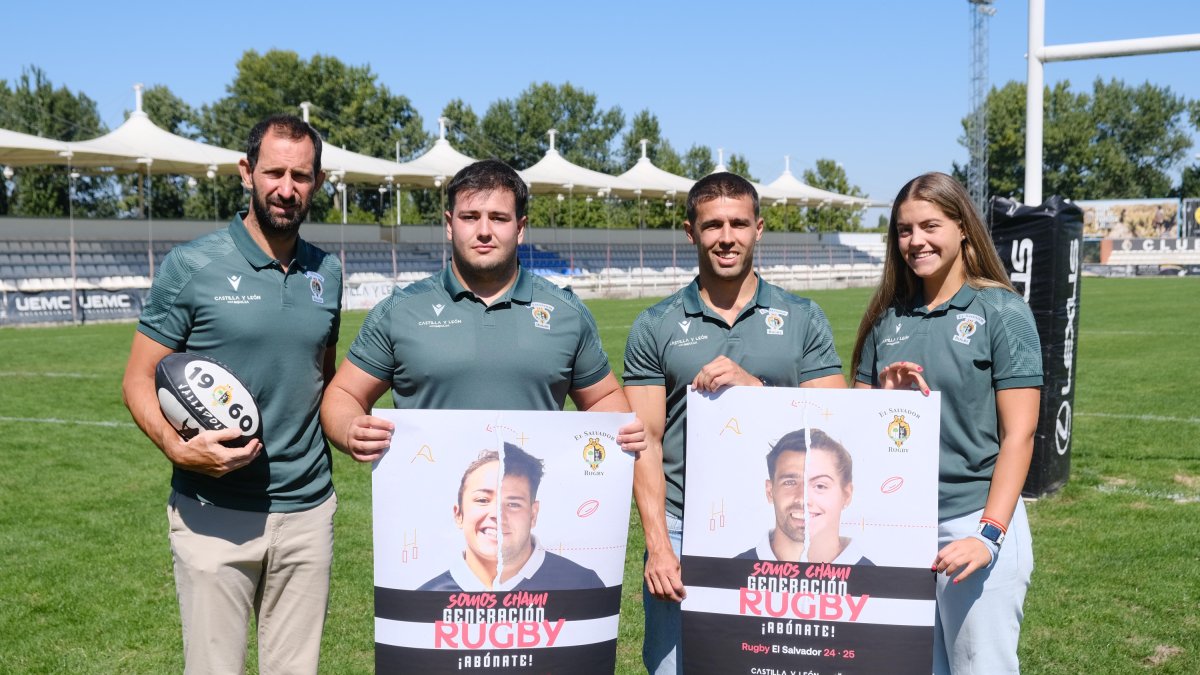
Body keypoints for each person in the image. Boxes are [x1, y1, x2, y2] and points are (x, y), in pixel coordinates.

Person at [121, 115, 340, 674]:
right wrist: (177, 448)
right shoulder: (192, 265)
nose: (286, 189)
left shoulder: (328, 271)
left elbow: (322, 375)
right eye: (274, 172)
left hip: (308, 510)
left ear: (317, 181)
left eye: (301, 175)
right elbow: (137, 378)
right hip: (213, 513)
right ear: (247, 172)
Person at [622, 172, 845, 674]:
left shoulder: (802, 317)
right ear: (690, 232)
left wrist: (756, 393)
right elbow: (645, 443)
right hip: (685, 528)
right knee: (675, 667)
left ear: (759, 228)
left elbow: (835, 425)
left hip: (780, 525)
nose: (727, 237)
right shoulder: (655, 325)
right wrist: (658, 545)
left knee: (776, 663)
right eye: (713, 225)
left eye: (739, 223)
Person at [319, 158, 643, 461]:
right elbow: (344, 393)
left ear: (520, 227)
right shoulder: (400, 311)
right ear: (449, 224)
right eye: (470, 217)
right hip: (427, 509)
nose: (484, 230)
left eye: (499, 218)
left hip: (531, 508)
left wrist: (617, 429)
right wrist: (350, 427)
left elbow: (602, 398)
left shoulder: (565, 312)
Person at [851, 172, 1041, 674]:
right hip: (898, 529)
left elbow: (1018, 436)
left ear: (962, 227)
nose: (916, 241)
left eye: (929, 226)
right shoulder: (885, 319)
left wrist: (988, 535)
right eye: (904, 230)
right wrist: (885, 402)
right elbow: (857, 433)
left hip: (974, 524)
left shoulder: (1002, 309)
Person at [419, 443, 604, 592]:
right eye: (483, 500)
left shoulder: (583, 585)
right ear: (458, 514)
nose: (497, 515)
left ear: (533, 515)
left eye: (513, 504)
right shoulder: (425, 600)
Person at [736, 428, 873, 565]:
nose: (802, 499)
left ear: (846, 495)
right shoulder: (732, 572)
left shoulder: (874, 581)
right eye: (789, 483)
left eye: (820, 486)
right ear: (770, 491)